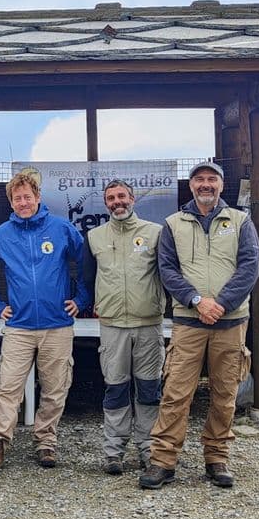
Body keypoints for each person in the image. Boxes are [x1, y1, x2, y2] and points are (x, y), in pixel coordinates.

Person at [139, 161, 259, 490]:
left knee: (225, 394)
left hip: (231, 320)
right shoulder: (173, 224)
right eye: (199, 180)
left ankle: (216, 458)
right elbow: (167, 270)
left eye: (212, 180)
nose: (205, 185)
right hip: (189, 321)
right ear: (191, 186)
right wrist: (197, 301)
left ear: (221, 186)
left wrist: (221, 304)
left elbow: (250, 266)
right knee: (176, 393)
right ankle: (163, 461)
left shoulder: (240, 221)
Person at [0, 172, 89, 475]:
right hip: (19, 326)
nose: (23, 202)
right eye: (17, 198)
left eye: (28, 197)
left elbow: (85, 263)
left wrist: (80, 299)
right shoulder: (1, 234)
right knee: (8, 387)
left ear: (38, 197)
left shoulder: (61, 228)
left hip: (57, 324)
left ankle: (46, 442)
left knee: (55, 387)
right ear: (11, 202)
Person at [83, 180, 165, 475]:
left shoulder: (155, 233)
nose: (117, 202)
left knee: (148, 389)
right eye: (110, 198)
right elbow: (87, 277)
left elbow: (168, 273)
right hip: (113, 325)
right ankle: (113, 452)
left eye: (121, 196)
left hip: (148, 324)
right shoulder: (94, 237)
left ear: (132, 198)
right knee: (115, 389)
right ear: (105, 203)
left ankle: (149, 449)